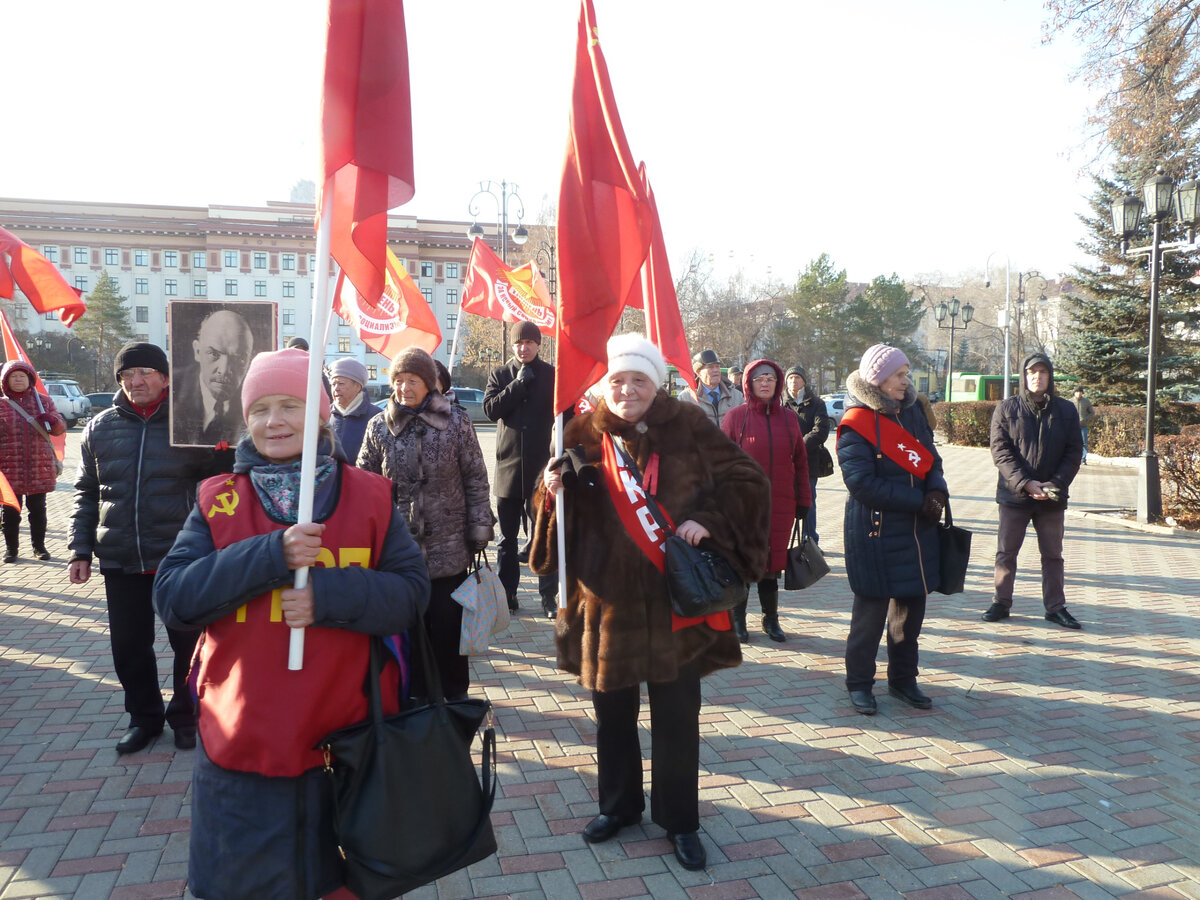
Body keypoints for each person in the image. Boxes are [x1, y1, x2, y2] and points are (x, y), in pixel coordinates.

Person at [154, 347, 431, 900]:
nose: (274, 421)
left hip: (349, 741)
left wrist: (327, 594)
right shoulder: (218, 500)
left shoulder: (371, 495)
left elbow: (411, 595)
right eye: (260, 410)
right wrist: (271, 555)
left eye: (291, 406)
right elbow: (175, 598)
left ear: (322, 415)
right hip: (243, 743)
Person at [531, 334, 770, 872]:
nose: (627, 390)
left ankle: (680, 821)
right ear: (604, 385)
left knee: (677, 716)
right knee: (612, 714)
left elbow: (749, 480)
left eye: (638, 379)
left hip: (673, 601)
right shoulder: (579, 432)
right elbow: (551, 531)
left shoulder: (687, 424)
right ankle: (617, 807)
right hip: (606, 601)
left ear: (655, 383)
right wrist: (549, 494)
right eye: (617, 380)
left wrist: (708, 522)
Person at [68, 342, 220, 753]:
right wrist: (80, 549)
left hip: (179, 557)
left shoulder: (190, 423)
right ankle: (144, 718)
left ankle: (186, 716)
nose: (135, 381)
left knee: (189, 645)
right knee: (129, 648)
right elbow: (86, 492)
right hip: (121, 556)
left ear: (165, 378)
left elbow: (218, 484)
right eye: (126, 375)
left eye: (145, 373)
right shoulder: (99, 427)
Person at [358, 347, 494, 699]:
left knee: (449, 629)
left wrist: (479, 525)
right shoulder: (379, 426)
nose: (404, 388)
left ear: (429, 384)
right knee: (409, 630)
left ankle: (455, 700)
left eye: (412, 381)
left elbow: (476, 477)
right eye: (399, 380)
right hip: (399, 549)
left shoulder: (456, 422)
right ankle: (416, 703)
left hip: (449, 546)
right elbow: (364, 484)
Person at [838, 344, 947, 715]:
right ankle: (859, 684)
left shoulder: (913, 411)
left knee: (909, 616)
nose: (906, 380)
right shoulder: (856, 422)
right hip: (875, 533)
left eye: (906, 374)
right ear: (879, 379)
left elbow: (932, 460)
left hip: (916, 532)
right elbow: (861, 484)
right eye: (899, 375)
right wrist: (919, 501)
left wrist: (937, 490)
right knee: (869, 618)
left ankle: (903, 680)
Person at [983, 353, 1084, 629]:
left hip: (1051, 497)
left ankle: (1055, 608)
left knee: (1053, 555)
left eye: (1042, 372)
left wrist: (1056, 483)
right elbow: (1001, 452)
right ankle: (1001, 602)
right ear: (1024, 376)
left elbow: (1074, 452)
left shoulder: (1066, 410)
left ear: (1050, 376)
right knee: (1006, 552)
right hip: (1014, 495)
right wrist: (1026, 483)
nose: (1037, 377)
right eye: (1031, 372)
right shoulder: (1006, 408)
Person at [721, 359, 810, 643]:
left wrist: (804, 499)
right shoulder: (735, 417)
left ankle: (771, 619)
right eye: (759, 378)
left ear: (778, 383)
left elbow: (801, 462)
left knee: (772, 566)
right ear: (748, 383)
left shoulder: (789, 418)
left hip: (781, 505)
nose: (765, 382)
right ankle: (738, 620)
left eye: (770, 378)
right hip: (744, 507)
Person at [483, 321, 560, 617]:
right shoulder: (500, 374)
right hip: (508, 470)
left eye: (528, 342)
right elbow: (491, 410)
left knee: (543, 537)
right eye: (518, 343)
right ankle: (508, 594)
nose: (523, 348)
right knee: (507, 540)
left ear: (538, 344)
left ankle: (548, 597)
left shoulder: (552, 375)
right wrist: (517, 384)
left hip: (541, 472)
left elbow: (564, 414)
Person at [1, 360, 66, 562]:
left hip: (39, 466)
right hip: (9, 467)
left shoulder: (43, 402)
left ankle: (39, 547)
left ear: (30, 379)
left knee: (38, 510)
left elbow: (60, 429)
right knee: (10, 512)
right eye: (13, 376)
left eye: (22, 376)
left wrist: (52, 421)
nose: (18, 380)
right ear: (5, 381)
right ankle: (11, 549)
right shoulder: (2, 404)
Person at [174, 308, 255, 446]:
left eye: (239, 359)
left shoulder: (258, 401)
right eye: (213, 354)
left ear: (249, 360)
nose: (223, 370)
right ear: (197, 351)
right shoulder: (172, 391)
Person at [782, 365, 830, 546]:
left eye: (797, 377)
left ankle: (810, 543)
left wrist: (799, 446)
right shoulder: (780, 402)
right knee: (784, 502)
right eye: (790, 378)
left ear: (804, 381)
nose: (794, 381)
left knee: (808, 501)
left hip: (808, 461)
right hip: (784, 461)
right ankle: (783, 542)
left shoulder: (817, 403)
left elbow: (821, 430)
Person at [327, 357, 376, 464]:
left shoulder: (377, 417)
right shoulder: (324, 415)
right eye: (333, 384)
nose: (336, 388)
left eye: (341, 383)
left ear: (357, 386)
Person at [679, 349, 739, 428]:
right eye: (711, 367)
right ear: (699, 372)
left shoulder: (736, 396)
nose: (716, 370)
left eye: (717, 366)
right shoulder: (686, 398)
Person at [1072, 386, 1096, 464]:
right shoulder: (1070, 402)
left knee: (1084, 442)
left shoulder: (1086, 401)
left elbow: (1092, 412)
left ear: (1082, 393)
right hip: (1072, 426)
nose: (1079, 393)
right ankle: (1073, 458)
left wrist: (1085, 418)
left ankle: (1083, 459)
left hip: (1083, 425)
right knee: (1072, 443)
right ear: (1074, 392)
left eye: (1080, 392)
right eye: (1077, 392)